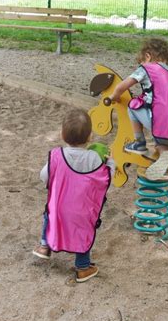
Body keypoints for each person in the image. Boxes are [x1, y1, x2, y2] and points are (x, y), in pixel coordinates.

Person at [32, 109, 115, 283]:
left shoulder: (56, 155)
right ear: (90, 137)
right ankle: (83, 268)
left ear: (62, 134)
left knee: (49, 214)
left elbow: (44, 176)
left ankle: (44, 246)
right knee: (83, 232)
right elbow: (106, 178)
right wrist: (110, 161)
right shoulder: (94, 158)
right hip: (83, 211)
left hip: (59, 206)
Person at [108, 38, 168, 181]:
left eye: (142, 61)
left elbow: (122, 86)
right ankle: (163, 166)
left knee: (133, 106)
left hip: (161, 119)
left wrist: (114, 96)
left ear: (148, 56)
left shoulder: (146, 68)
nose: (142, 64)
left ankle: (139, 143)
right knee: (162, 143)